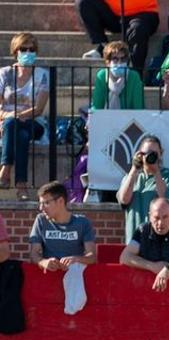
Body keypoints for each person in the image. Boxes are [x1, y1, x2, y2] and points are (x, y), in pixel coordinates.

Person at [1, 34, 49, 199]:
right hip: (8, 122)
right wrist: (11, 116)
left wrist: (18, 115)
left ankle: (6, 169)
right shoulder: (4, 73)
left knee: (12, 125)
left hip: (34, 123)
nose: (28, 52)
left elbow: (39, 109)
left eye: (32, 49)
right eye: (23, 49)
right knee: (20, 135)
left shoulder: (42, 74)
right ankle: (21, 185)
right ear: (15, 51)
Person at [118, 135, 169, 242]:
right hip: (134, 239)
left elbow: (167, 199)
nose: (150, 156)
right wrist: (134, 169)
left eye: (154, 154)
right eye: (145, 153)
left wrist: (156, 172)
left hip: (159, 240)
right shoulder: (130, 177)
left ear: (161, 154)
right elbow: (124, 200)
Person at [28, 182, 97, 271]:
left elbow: (92, 257)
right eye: (40, 203)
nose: (41, 208)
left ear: (60, 201)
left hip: (73, 278)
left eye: (46, 203)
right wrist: (43, 262)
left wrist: (76, 259)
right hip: (49, 277)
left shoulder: (82, 222)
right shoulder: (41, 220)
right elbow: (34, 254)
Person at [76, 0, 158, 73]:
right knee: (84, 2)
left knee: (138, 30)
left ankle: (135, 76)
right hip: (114, 16)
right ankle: (104, 47)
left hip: (143, 13)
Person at [90, 41, 145, 111]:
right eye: (115, 59)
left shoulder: (134, 76)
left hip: (129, 119)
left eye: (123, 59)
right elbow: (97, 107)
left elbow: (139, 107)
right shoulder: (102, 76)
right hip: (105, 118)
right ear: (108, 62)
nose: (119, 62)